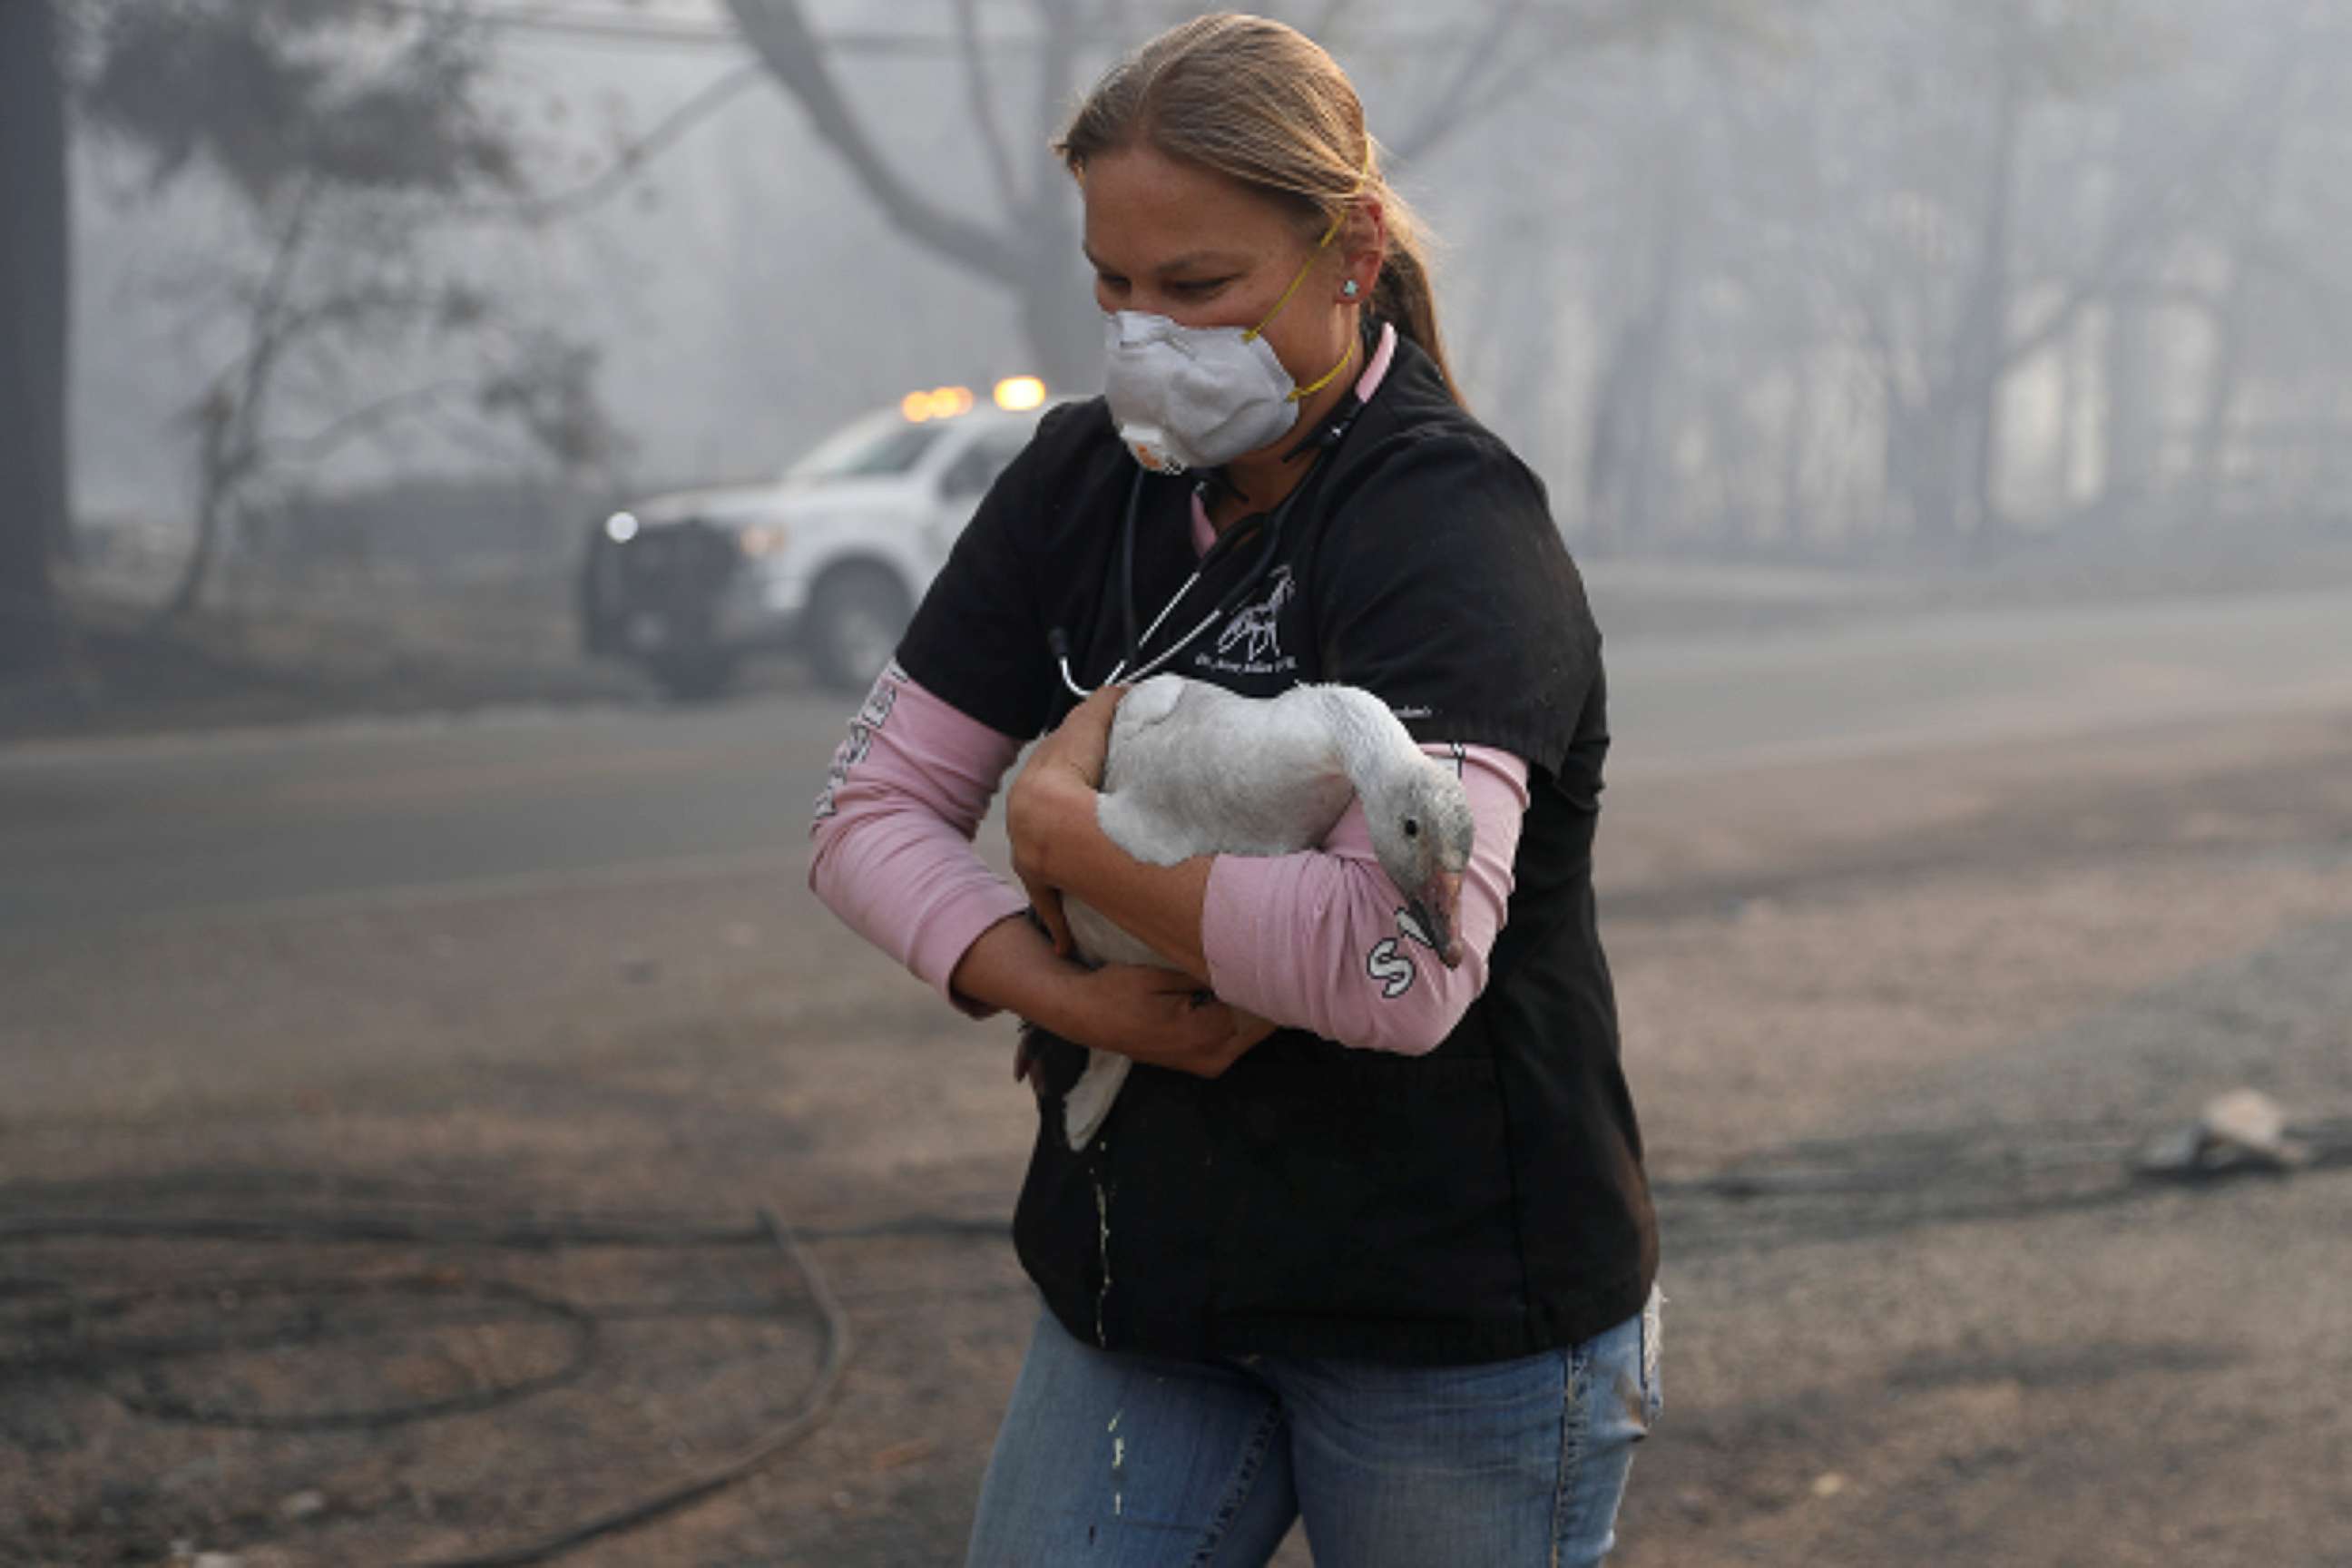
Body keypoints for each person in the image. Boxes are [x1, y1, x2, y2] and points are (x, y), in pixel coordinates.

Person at [808, 14, 1660, 1565]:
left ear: (1351, 248)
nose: (1145, 338)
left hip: (1448, 1317)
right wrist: (1079, 1006)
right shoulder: (1074, 487)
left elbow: (1395, 968)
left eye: (1197, 288)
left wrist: (1067, 842)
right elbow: (864, 816)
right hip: (1148, 1296)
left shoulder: (1451, 528)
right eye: (1112, 288)